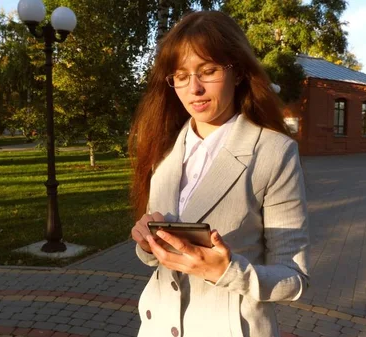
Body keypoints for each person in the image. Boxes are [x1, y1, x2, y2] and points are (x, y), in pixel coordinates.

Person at [128, 10, 310, 337]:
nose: (193, 88)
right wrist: (146, 242)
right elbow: (159, 260)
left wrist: (227, 270)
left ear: (238, 72)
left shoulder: (274, 152)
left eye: (208, 71)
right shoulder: (165, 150)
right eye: (181, 76)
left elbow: (294, 278)